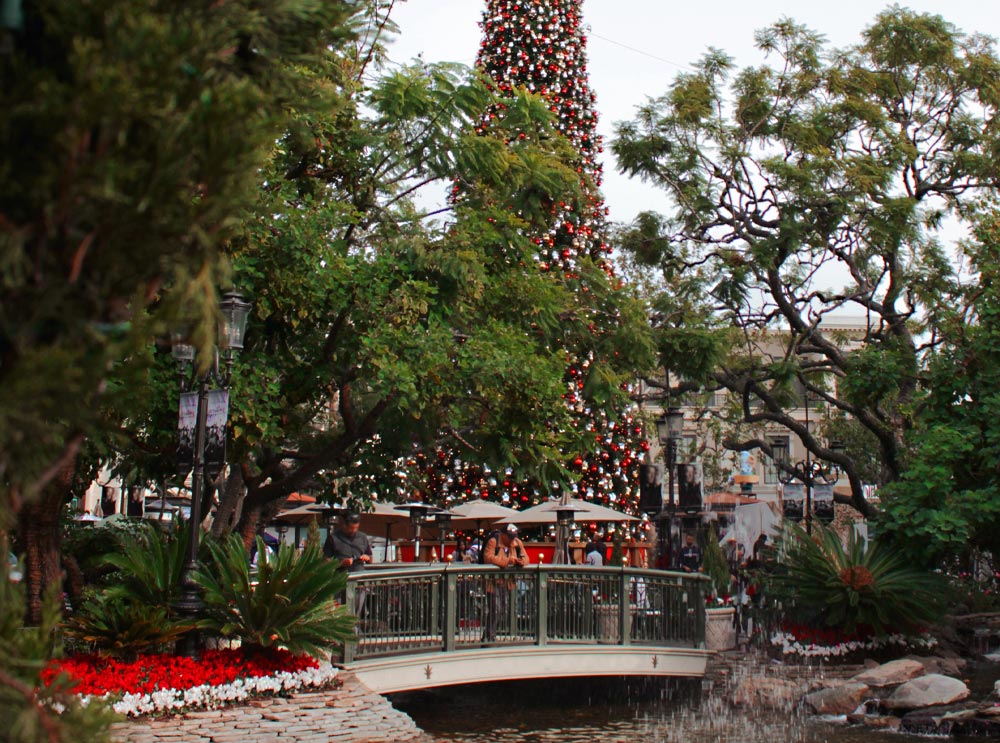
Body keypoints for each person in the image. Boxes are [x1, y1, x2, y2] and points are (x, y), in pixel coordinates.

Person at [482, 524, 529, 642]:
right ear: (503, 535)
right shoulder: (493, 542)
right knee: (495, 608)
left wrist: (521, 562)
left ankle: (489, 634)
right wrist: (507, 561)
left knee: (502, 608)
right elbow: (488, 558)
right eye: (509, 536)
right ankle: (489, 636)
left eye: (513, 536)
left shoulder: (517, 543)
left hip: (507, 581)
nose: (512, 539)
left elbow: (526, 557)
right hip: (492, 582)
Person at [324, 512, 373, 616]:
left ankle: (354, 630)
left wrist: (367, 557)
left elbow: (370, 558)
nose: (353, 531)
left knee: (356, 613)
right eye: (351, 528)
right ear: (344, 525)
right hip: (340, 581)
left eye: (356, 528)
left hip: (359, 580)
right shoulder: (333, 538)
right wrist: (341, 563)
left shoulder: (362, 537)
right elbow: (326, 561)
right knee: (340, 613)